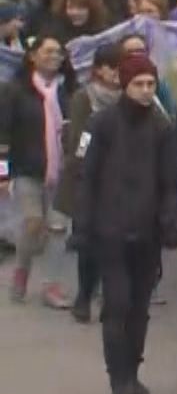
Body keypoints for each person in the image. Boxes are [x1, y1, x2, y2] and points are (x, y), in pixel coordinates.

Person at [71, 50, 177, 394]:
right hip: (109, 231)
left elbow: (169, 181)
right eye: (139, 84)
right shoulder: (101, 124)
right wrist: (81, 226)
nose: (147, 91)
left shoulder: (162, 128)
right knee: (117, 305)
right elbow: (85, 177)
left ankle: (132, 373)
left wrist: (169, 220)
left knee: (139, 309)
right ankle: (119, 382)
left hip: (146, 234)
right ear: (124, 84)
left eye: (151, 84)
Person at [0, 35, 78, 306]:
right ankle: (22, 269)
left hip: (62, 170)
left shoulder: (68, 90)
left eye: (58, 52)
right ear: (32, 56)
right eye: (47, 51)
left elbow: (81, 129)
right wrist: (2, 173)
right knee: (33, 224)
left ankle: (51, 287)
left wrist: (80, 158)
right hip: (26, 169)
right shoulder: (15, 90)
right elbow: (3, 133)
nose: (54, 57)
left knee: (58, 228)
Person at [53, 41, 123, 323]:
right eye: (111, 68)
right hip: (89, 180)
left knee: (116, 245)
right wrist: (84, 162)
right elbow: (79, 140)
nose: (117, 74)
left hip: (122, 180)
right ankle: (84, 294)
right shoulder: (85, 98)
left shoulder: (133, 97)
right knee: (90, 244)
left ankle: (110, 299)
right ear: (98, 70)